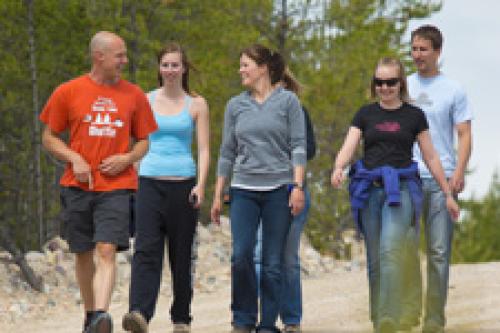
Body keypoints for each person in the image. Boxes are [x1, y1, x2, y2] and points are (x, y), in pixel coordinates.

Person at [330, 57, 460, 333]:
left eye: (390, 82)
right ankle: (380, 319)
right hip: (370, 191)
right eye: (379, 82)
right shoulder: (365, 114)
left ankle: (389, 319)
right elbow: (349, 145)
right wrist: (339, 167)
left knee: (391, 251)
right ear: (374, 84)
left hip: (399, 191)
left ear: (400, 83)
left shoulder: (414, 116)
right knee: (376, 260)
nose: (385, 87)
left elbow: (431, 156)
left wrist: (447, 193)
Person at [40, 31, 158, 333]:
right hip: (77, 185)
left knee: (107, 249)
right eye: (119, 55)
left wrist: (128, 158)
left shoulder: (134, 95)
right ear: (99, 56)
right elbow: (49, 137)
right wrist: (74, 158)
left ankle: (101, 316)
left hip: (117, 186)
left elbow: (144, 141)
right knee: (82, 251)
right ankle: (91, 314)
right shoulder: (68, 91)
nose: (125, 61)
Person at [210, 44, 306, 333]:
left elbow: (298, 146)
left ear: (262, 67)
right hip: (243, 189)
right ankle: (243, 319)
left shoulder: (288, 102)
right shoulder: (235, 105)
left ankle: (266, 325)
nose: (240, 70)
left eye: (245, 65)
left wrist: (297, 186)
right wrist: (218, 193)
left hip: (279, 189)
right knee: (241, 256)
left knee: (272, 262)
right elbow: (227, 152)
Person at [122, 42, 209, 333]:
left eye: (175, 65)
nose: (170, 70)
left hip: (183, 184)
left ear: (184, 69)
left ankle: (181, 318)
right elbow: (136, 144)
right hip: (148, 182)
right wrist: (130, 180)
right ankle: (139, 313)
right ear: (159, 69)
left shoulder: (197, 104)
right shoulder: (145, 100)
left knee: (181, 255)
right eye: (166, 65)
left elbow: (205, 150)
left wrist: (201, 184)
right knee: (146, 250)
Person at [399, 25, 473, 333]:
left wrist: (458, 173)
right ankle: (410, 311)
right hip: (409, 178)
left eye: (423, 49)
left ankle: (434, 320)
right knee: (406, 247)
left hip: (442, 179)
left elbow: (465, 134)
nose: (417, 55)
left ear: (437, 52)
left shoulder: (453, 90)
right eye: (414, 49)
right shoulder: (403, 87)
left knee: (439, 253)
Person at [253, 74, 316, 333]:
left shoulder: (298, 112)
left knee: (288, 258)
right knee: (259, 256)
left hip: (291, 191)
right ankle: (266, 318)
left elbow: (309, 149)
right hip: (257, 193)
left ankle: (291, 319)